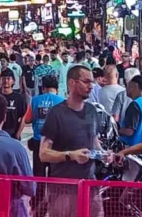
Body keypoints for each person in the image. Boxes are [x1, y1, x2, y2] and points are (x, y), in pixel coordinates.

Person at [39, 65, 106, 217]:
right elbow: (43, 154)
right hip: (63, 188)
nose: (91, 86)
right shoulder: (56, 114)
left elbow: (94, 142)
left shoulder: (92, 111)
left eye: (92, 82)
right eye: (86, 81)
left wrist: (104, 154)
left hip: (90, 184)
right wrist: (70, 155)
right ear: (72, 83)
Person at [29, 74, 65, 176]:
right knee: (54, 174)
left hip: (38, 142)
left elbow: (27, 119)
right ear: (57, 89)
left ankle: (39, 192)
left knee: (38, 175)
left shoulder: (35, 100)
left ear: (43, 88)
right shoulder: (62, 101)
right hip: (56, 143)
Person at [0, 69, 28, 140]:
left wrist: (18, 133)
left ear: (13, 81)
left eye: (8, 79)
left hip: (13, 133)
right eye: (3, 78)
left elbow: (23, 117)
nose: (5, 81)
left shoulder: (19, 98)